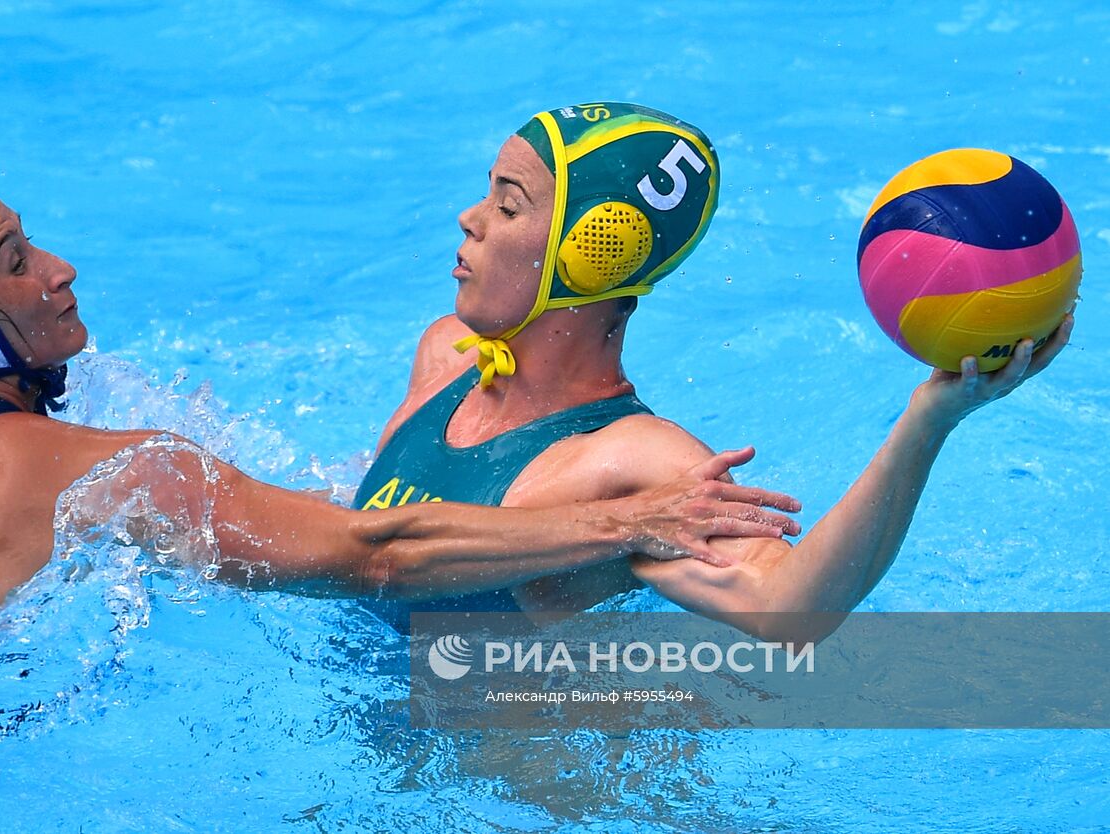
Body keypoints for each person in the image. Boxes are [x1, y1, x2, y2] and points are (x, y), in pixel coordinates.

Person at [0, 182, 803, 684]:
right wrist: (628, 522)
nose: (58, 270)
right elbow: (377, 556)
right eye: (17, 259)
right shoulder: (93, 468)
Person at [356, 101, 1073, 636]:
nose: (467, 218)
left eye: (506, 206)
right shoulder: (445, 354)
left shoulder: (639, 463)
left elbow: (789, 610)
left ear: (593, 252)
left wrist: (930, 420)